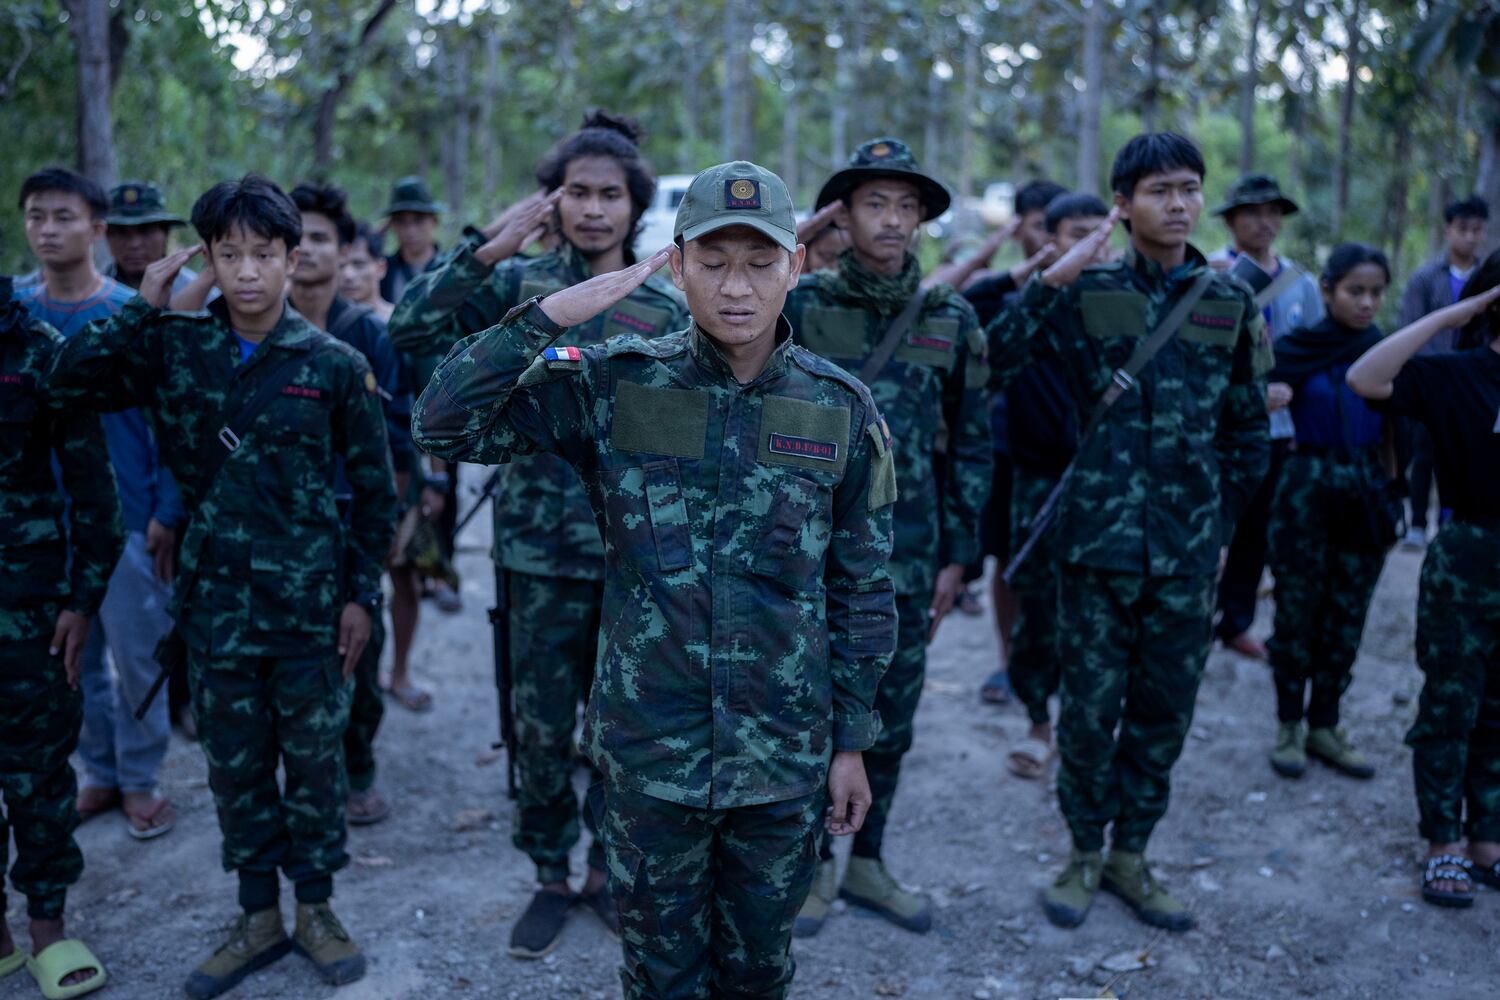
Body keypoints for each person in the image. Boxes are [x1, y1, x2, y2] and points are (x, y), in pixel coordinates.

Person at [412, 159, 896, 1000]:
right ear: (676, 268)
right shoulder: (618, 382)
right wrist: (553, 315)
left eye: (759, 262)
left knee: (758, 971)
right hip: (648, 759)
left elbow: (862, 585)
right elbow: (442, 421)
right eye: (712, 262)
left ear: (796, 267)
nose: (736, 288)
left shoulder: (841, 409)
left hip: (779, 760)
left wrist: (852, 740)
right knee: (659, 975)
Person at [46, 174, 396, 999]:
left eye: (264, 254)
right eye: (228, 254)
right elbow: (67, 383)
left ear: (290, 258)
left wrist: (361, 598)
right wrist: (144, 307)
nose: (247, 272)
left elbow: (377, 496)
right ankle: (255, 916)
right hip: (215, 614)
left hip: (310, 611)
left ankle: (315, 908)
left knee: (313, 770)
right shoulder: (177, 346)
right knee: (236, 772)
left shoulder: (334, 365)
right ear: (206, 257)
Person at [389, 110, 688, 959]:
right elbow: (410, 331)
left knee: (622, 727)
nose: (594, 210)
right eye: (577, 193)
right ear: (551, 201)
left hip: (634, 560)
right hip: (534, 554)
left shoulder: (663, 304)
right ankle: (551, 873)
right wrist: (485, 248)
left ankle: (607, 869)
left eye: (610, 195)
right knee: (540, 724)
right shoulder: (514, 287)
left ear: (635, 206)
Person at [990, 132, 1270, 932]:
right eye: (1159, 191)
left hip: (1185, 556)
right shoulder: (1088, 291)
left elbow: (1248, 432)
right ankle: (1083, 852)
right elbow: (992, 362)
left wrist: (1215, 524)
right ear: (1123, 204)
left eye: (1189, 188)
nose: (1178, 204)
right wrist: (1055, 276)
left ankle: (1131, 854)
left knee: (1163, 711)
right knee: (1088, 711)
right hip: (1094, 551)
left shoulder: (1229, 303)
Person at [783, 137, 990, 936]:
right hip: (801, 552)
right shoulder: (803, 303)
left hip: (907, 554)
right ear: (843, 213)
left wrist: (960, 555)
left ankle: (868, 861)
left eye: (908, 206)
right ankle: (810, 869)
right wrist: (799, 240)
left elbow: (972, 443)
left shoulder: (952, 319)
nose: (894, 219)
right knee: (804, 710)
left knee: (889, 714)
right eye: (876, 203)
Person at [17, 167, 186, 839]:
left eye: (63, 217)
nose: (49, 230)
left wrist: (166, 510)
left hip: (127, 519)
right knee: (67, 659)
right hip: (39, 526)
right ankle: (99, 772)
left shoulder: (132, 311)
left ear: (96, 228)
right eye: (36, 217)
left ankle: (141, 779)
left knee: (139, 650)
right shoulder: (18, 313)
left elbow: (171, 421)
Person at [1346, 251, 1500, 910]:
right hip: (1468, 554)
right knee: (1451, 706)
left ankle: (1487, 840)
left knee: (1498, 711)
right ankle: (1443, 843)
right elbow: (1364, 376)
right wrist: (1457, 312)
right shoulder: (1456, 375)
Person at [0, 274, 121, 999]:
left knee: (38, 777)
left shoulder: (42, 351)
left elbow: (95, 493)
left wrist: (83, 599)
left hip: (28, 611)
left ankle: (48, 927)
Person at [287, 181, 416, 824]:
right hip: (275, 528)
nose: (307, 250)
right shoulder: (251, 325)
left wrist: (387, 524)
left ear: (345, 252)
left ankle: (357, 762)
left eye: (320, 238)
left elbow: (397, 445)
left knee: (357, 645)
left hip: (349, 522)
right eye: (297, 237)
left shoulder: (368, 333)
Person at [1263, 244, 1397, 781]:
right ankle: (1290, 725)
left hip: (1365, 490)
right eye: (1354, 291)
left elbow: (1395, 425)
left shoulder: (1384, 350)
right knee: (1297, 611)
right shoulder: (1295, 350)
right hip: (1306, 486)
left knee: (1348, 613)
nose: (1366, 303)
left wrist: (1394, 494)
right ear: (1327, 291)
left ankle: (1326, 723)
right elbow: (1253, 402)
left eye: (1376, 293)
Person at [989, 192, 1107, 781]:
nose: (1093, 246)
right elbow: (992, 357)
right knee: (1035, 601)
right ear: (1051, 241)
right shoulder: (1029, 308)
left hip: (1112, 483)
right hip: (1038, 478)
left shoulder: (1128, 308)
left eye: (1101, 233)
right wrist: (1048, 285)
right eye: (1077, 234)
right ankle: (1039, 721)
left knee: (1101, 608)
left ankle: (1090, 729)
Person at [953, 180, 1065, 704]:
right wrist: (1003, 262)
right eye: (1038, 225)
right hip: (1007, 450)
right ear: (1019, 227)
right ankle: (1006, 663)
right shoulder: (1002, 292)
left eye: (1057, 228)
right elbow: (963, 303)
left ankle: (1053, 664)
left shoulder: (1092, 291)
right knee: (1007, 562)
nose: (1049, 240)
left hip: (1068, 456)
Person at [1208, 174, 1323, 660]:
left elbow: (1316, 352)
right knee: (1208, 524)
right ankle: (1191, 617)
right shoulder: (1211, 274)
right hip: (1215, 428)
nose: (1265, 221)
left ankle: (1235, 622)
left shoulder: (1302, 285)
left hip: (1277, 432)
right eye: (1253, 212)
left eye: (1273, 212)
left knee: (1257, 529)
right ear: (1232, 220)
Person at [1396, 195, 1490, 548]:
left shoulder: (1487, 278)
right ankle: (1418, 525)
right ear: (1448, 230)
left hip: (1472, 382)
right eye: (1462, 229)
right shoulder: (1425, 277)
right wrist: (1430, 374)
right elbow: (1411, 326)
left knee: (1468, 452)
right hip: (1433, 380)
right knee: (1425, 453)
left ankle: (1453, 519)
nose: (1469, 237)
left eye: (1476, 230)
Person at [104, 180, 200, 295]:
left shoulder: (201, 294)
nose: (134, 244)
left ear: (166, 233)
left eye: (145, 231)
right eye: (121, 232)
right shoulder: (92, 296)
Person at [378, 176, 444, 306]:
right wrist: (374, 238)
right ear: (391, 225)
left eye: (418, 220)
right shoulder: (384, 270)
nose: (410, 230)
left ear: (434, 221)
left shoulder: (450, 267)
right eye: (401, 221)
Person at [339, 223, 394, 321]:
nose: (348, 275)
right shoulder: (322, 324)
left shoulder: (399, 321)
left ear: (381, 268)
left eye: (359, 264)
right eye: (341, 266)